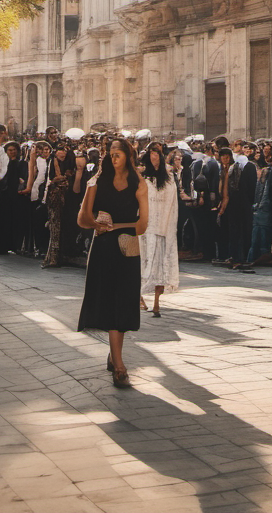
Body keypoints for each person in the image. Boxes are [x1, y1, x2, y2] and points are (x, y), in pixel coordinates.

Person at [77, 137, 149, 388]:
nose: (114, 157)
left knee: (125, 302)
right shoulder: (97, 181)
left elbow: (142, 226)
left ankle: (114, 353)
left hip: (128, 247)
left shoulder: (139, 183)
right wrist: (95, 221)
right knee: (110, 301)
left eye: (118, 153)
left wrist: (115, 225)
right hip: (104, 248)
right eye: (111, 154)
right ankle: (119, 365)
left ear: (129, 156)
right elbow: (83, 220)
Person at [140, 145, 180, 316]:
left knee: (161, 266)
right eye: (151, 153)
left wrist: (168, 225)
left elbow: (173, 202)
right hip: (146, 226)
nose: (154, 156)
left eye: (156, 153)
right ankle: (139, 296)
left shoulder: (169, 177)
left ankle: (156, 302)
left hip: (163, 226)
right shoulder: (143, 176)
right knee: (144, 261)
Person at [0, 142, 27, 255]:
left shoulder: (20, 163)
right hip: (6, 196)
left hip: (14, 196)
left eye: (14, 150)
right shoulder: (7, 163)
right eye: (10, 150)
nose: (12, 152)